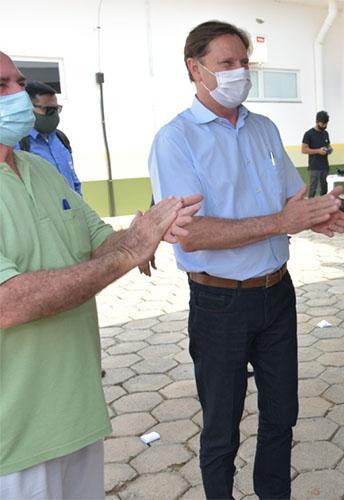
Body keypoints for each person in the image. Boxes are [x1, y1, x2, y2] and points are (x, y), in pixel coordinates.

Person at [148, 21, 344, 499]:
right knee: (222, 427)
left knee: (282, 415)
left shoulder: (263, 128)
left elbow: (289, 199)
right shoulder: (176, 140)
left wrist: (314, 216)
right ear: (195, 69)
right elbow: (192, 233)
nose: (239, 73)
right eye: (226, 64)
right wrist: (281, 222)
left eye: (244, 63)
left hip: (276, 293)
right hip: (219, 303)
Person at [0, 52, 201, 498]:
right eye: (2, 86)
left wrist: (146, 233)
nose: (19, 97)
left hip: (74, 414)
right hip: (12, 440)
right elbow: (10, 302)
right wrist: (130, 249)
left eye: (18, 82)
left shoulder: (39, 169)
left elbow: (96, 238)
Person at [14, 80, 81, 195]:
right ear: (28, 108)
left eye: (56, 109)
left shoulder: (61, 139)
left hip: (71, 210)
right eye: (48, 110)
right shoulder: (17, 144)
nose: (53, 115)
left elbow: (73, 179)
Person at [302, 110, 332, 197]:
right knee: (313, 188)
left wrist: (329, 149)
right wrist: (318, 151)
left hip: (325, 166)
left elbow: (329, 146)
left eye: (326, 124)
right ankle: (310, 207)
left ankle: (323, 207)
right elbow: (304, 150)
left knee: (325, 188)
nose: (325, 126)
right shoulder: (308, 134)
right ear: (317, 122)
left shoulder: (325, 133)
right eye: (322, 124)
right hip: (314, 167)